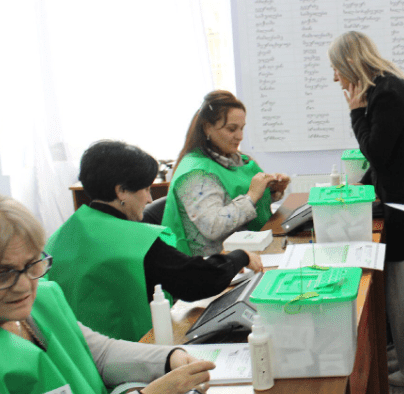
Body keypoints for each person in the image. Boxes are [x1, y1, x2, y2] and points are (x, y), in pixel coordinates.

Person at [0, 195, 216, 394]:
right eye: (4, 273)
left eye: (31, 264)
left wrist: (170, 357)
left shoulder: (44, 298)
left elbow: (101, 354)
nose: (24, 285)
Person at [45, 140, 264, 342]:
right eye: (146, 189)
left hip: (71, 349)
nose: (150, 199)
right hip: (127, 350)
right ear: (121, 191)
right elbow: (197, 281)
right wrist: (240, 256)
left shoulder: (60, 235)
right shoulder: (132, 240)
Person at [329, 31, 404, 387]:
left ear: (350, 63)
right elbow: (387, 159)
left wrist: (355, 114)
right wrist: (361, 188)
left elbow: (377, 152)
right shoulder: (384, 90)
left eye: (336, 69)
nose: (335, 78)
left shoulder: (387, 94)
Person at [162, 90, 290, 257]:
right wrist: (252, 196)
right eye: (231, 129)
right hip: (212, 262)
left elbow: (236, 197)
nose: (240, 136)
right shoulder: (195, 174)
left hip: (246, 251)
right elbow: (213, 226)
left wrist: (272, 189)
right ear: (207, 128)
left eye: (242, 128)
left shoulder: (237, 160)